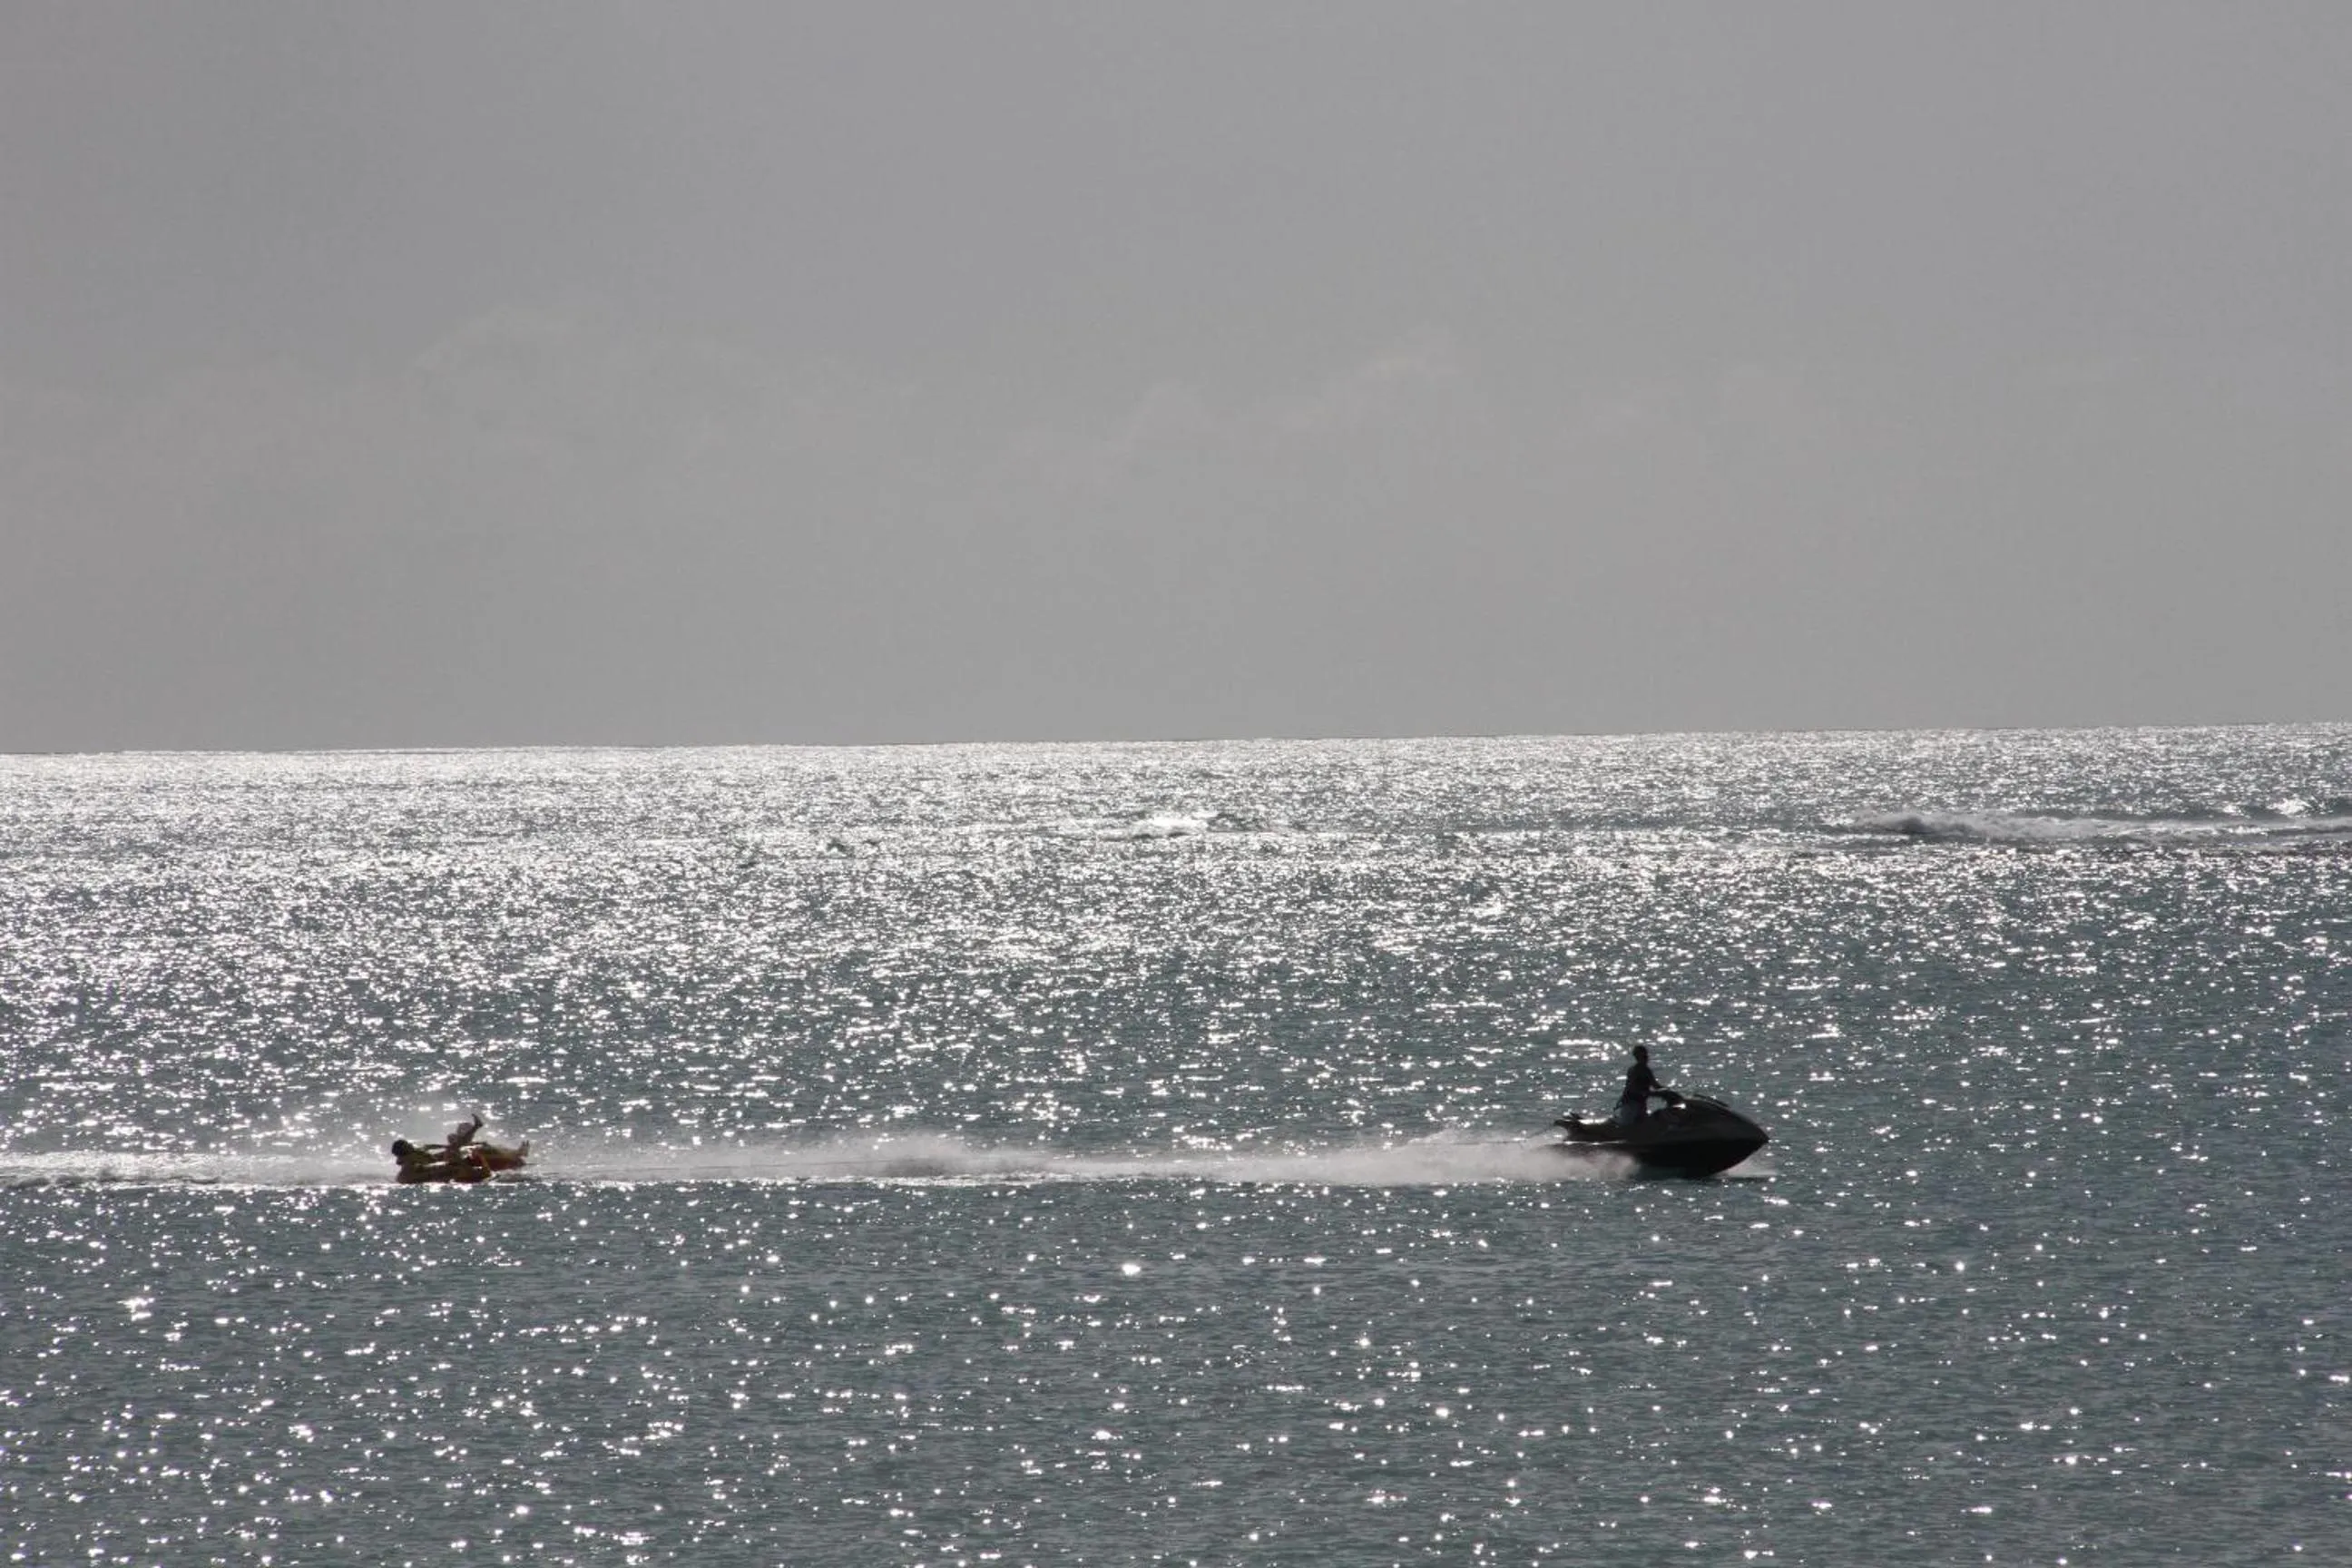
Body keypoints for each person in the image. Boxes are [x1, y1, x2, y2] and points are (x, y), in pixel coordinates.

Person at [1613, 1044, 1683, 1127]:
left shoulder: (1646, 1070)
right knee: (1629, 1125)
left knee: (1643, 1124)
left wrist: (1667, 1091)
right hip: (1631, 1104)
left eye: (1646, 1056)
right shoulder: (1635, 1070)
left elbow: (1655, 1086)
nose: (1646, 1058)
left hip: (1640, 1104)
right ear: (1638, 1057)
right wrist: (1651, 1093)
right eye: (1643, 1056)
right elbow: (1633, 1089)